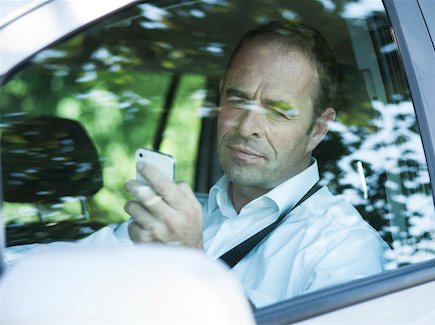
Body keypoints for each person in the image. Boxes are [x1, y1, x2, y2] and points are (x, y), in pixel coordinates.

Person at [5, 22, 388, 308]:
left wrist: (190, 266)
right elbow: (60, 267)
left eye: (277, 111)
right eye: (238, 100)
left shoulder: (344, 250)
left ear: (318, 128)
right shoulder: (187, 214)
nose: (248, 126)